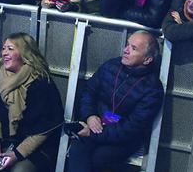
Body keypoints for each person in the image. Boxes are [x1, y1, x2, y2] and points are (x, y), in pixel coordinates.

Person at [66, 31, 164, 171]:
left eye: (133, 48)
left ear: (147, 60)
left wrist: (94, 133)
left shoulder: (153, 88)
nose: (126, 50)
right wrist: (90, 116)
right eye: (127, 44)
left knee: (100, 158)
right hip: (96, 123)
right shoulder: (111, 66)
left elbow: (132, 128)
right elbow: (88, 92)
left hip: (123, 138)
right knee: (78, 149)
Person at [0, 33, 63, 172]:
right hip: (5, 137)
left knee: (20, 170)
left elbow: (44, 129)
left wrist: (17, 154)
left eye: (10, 49)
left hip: (35, 143)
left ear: (24, 54)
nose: (4, 53)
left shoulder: (41, 83)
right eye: (4, 48)